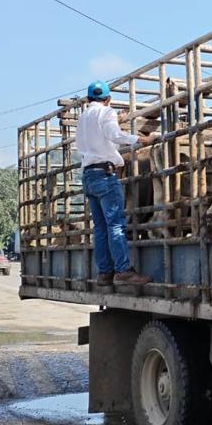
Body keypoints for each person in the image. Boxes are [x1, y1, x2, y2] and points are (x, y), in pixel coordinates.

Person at [76, 80, 154, 286]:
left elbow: (85, 142)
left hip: (88, 175)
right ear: (108, 99)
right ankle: (123, 271)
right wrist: (140, 139)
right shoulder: (106, 112)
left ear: (88, 99)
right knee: (116, 225)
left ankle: (105, 273)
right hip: (104, 174)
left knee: (100, 227)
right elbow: (114, 135)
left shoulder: (83, 118)